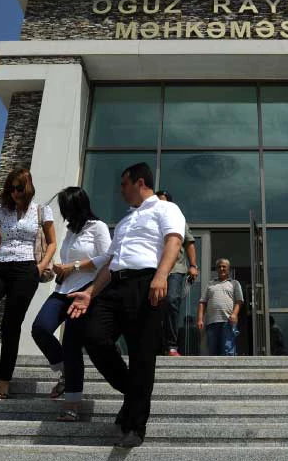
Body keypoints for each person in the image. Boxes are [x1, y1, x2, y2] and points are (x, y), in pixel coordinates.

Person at [66, 162, 186, 449]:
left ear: (140, 182)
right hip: (115, 285)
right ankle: (133, 391)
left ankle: (134, 426)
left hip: (146, 284)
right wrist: (91, 293)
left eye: (124, 184)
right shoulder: (125, 221)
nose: (121, 190)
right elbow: (110, 263)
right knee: (93, 336)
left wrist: (161, 275)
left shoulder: (166, 209)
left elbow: (174, 241)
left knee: (142, 356)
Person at [0, 168, 56, 399]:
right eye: (11, 188)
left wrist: (40, 266)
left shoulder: (42, 210)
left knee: (10, 325)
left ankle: (5, 379)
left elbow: (52, 242)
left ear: (28, 187)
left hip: (26, 268)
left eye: (19, 188)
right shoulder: (2, 212)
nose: (14, 192)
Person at [30, 187, 110, 421]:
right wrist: (61, 271)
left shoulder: (98, 227)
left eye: (67, 209)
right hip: (63, 289)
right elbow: (68, 261)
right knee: (40, 328)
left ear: (78, 207)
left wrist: (73, 267)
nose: (64, 215)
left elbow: (107, 258)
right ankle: (65, 371)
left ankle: (72, 405)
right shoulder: (70, 231)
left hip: (85, 292)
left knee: (72, 345)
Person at [154, 190, 198, 356]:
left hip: (175, 269)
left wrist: (193, 265)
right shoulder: (151, 220)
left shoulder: (178, 219)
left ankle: (172, 345)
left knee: (171, 301)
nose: (160, 205)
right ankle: (156, 345)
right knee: (154, 306)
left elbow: (189, 243)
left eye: (163, 201)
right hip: (153, 270)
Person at [197, 258, 244, 356]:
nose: (221, 268)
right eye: (219, 267)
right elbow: (202, 302)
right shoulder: (210, 284)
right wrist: (200, 319)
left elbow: (239, 301)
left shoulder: (234, 283)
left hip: (228, 322)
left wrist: (234, 314)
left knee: (228, 351)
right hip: (211, 323)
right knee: (213, 351)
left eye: (224, 266)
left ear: (229, 269)